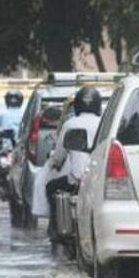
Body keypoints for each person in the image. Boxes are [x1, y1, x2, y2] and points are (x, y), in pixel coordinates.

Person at [42, 86, 102, 235]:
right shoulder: (104, 123)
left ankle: (55, 228)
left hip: (76, 180)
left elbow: (59, 155)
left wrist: (54, 164)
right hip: (98, 180)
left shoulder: (70, 124)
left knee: (51, 187)